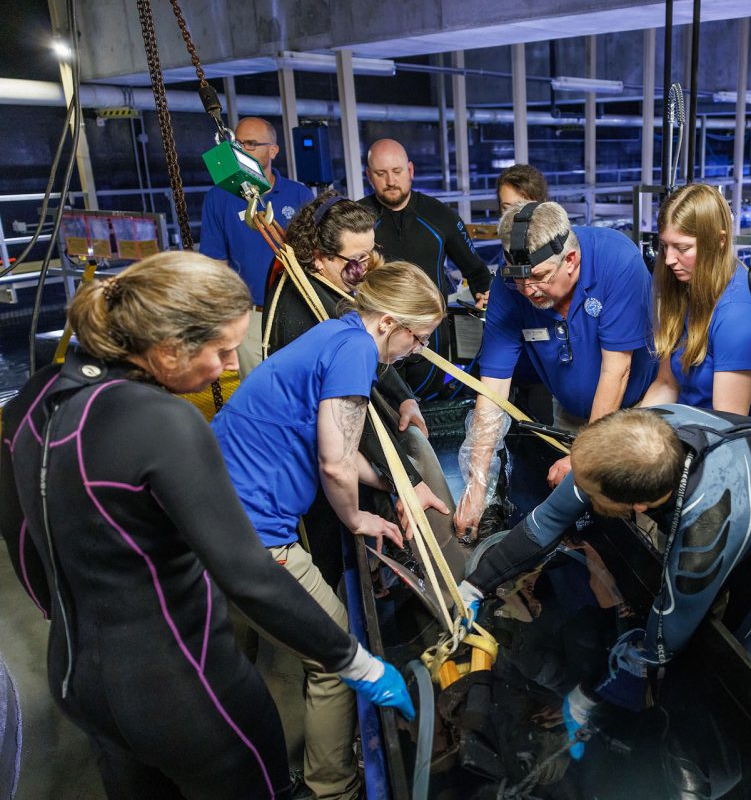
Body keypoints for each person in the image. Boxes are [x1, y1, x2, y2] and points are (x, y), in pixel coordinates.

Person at [0, 252, 411, 800]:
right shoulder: (164, 422)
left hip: (77, 679)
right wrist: (353, 660)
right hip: (183, 689)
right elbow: (248, 574)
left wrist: (61, 606)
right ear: (170, 348)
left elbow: (18, 532)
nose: (225, 369)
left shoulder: (37, 395)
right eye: (220, 351)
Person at [457, 405, 751, 759]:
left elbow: (662, 641)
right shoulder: (629, 439)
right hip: (743, 468)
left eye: (593, 495)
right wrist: (475, 585)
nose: (581, 493)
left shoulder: (704, 532)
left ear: (635, 507)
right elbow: (548, 520)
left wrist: (588, 695)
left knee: (727, 682)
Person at [212, 262, 445, 800]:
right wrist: (358, 518)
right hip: (255, 531)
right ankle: (332, 790)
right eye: (419, 337)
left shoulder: (335, 330)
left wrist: (400, 486)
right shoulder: (357, 352)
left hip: (220, 508)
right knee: (337, 655)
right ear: (389, 322)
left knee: (242, 641)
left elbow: (337, 449)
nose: (416, 350)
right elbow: (337, 464)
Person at [265, 190, 464, 587]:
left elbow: (374, 343)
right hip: (281, 479)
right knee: (324, 557)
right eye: (354, 262)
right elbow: (355, 415)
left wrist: (404, 395)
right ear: (317, 254)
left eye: (370, 255)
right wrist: (408, 483)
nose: (363, 271)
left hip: (302, 455)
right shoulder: (300, 308)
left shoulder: (331, 293)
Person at [453, 201, 657, 539]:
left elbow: (616, 371)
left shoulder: (618, 262)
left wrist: (584, 455)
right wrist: (478, 484)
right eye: (518, 280)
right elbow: (493, 389)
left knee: (629, 521)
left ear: (571, 261)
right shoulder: (513, 286)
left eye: (538, 277)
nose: (528, 290)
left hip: (632, 414)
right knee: (575, 525)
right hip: (569, 417)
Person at [639, 183, 751, 429]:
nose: (670, 259)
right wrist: (627, 430)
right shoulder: (686, 286)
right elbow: (667, 384)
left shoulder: (740, 315)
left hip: (742, 448)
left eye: (682, 248)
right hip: (692, 430)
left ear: (719, 241)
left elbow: (726, 425)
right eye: (664, 246)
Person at [359, 138, 493, 398]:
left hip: (429, 340)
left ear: (410, 170)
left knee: (428, 412)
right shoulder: (357, 219)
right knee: (384, 411)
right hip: (378, 340)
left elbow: (477, 272)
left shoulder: (439, 215)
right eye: (380, 173)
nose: (390, 181)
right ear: (368, 176)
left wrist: (488, 303)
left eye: (397, 172)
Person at [200, 117, 313, 377]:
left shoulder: (299, 195)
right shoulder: (219, 197)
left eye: (250, 144)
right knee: (262, 397)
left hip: (299, 312)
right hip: (252, 318)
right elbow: (216, 264)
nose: (241, 150)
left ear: (273, 150)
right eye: (237, 143)